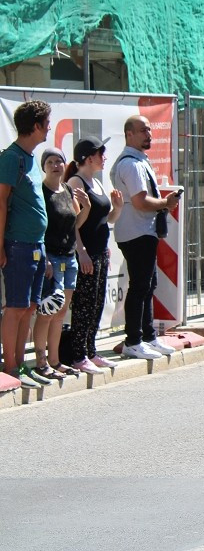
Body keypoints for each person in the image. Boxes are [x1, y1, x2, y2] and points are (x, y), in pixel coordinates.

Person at [110, 114, 181, 360]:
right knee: (140, 286)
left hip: (144, 231)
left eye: (149, 130)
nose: (148, 134)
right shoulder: (129, 164)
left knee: (148, 285)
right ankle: (133, 340)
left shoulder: (140, 160)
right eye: (143, 130)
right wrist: (166, 203)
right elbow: (140, 202)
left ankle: (148, 337)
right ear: (129, 134)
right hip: (135, 233)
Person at [0, 100, 52, 388]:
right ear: (35, 126)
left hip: (36, 244)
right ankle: (10, 368)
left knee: (30, 307)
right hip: (17, 244)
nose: (49, 128)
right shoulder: (11, 158)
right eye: (46, 123)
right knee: (16, 308)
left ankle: (20, 365)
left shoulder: (32, 157)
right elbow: (1, 202)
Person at [65, 136, 124, 374]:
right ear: (89, 158)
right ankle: (78, 355)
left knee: (97, 303)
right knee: (84, 305)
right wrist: (82, 252)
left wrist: (117, 208)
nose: (104, 158)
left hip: (101, 253)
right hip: (86, 254)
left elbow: (106, 219)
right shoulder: (76, 183)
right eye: (101, 154)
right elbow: (74, 224)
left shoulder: (97, 183)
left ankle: (90, 350)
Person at [32, 148, 90, 381]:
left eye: (59, 161)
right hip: (51, 258)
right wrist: (44, 258)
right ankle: (40, 362)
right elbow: (39, 227)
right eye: (50, 162)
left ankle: (55, 361)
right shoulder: (41, 192)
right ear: (44, 166)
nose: (56, 165)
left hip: (69, 257)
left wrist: (86, 208)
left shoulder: (66, 189)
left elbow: (75, 224)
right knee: (47, 312)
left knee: (61, 313)